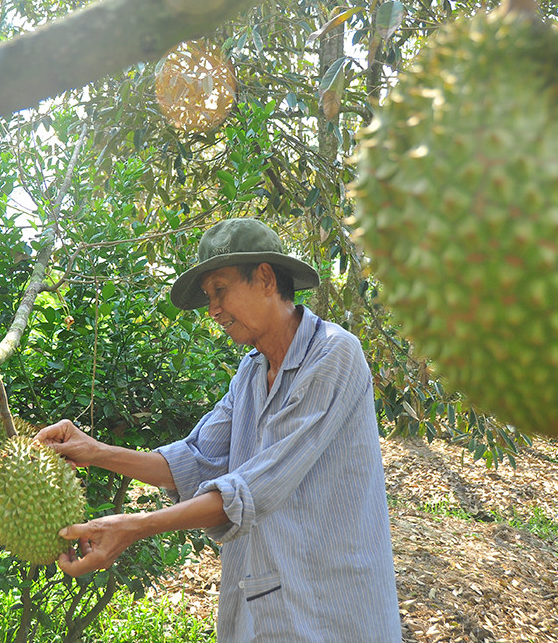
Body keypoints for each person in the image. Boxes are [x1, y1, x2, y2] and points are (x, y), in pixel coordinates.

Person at [34, 217, 402, 642]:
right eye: (209, 297)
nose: (213, 310)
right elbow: (193, 460)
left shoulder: (335, 354)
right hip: (265, 606)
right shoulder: (250, 374)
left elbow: (257, 485)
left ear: (266, 278)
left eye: (220, 290)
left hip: (333, 608)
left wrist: (136, 525)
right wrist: (94, 450)